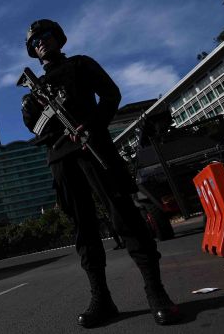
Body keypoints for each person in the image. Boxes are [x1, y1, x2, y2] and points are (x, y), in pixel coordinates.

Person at [20, 19, 180, 327]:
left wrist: (91, 124)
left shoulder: (81, 64)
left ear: (59, 38)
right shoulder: (34, 91)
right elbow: (39, 130)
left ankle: (156, 292)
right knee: (84, 230)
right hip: (61, 159)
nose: (41, 41)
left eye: (46, 35)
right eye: (35, 40)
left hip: (95, 148)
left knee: (127, 218)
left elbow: (111, 95)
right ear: (32, 51)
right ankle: (101, 299)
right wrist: (31, 112)